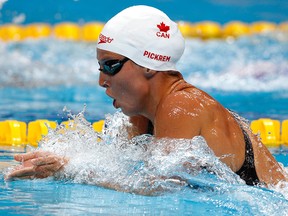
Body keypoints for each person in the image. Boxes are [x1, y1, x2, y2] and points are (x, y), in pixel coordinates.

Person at [5, 5, 287, 187]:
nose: (102, 80)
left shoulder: (183, 105)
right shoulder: (141, 114)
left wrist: (72, 170)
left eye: (111, 66)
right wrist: (58, 163)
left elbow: (160, 188)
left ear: (149, 65)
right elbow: (121, 171)